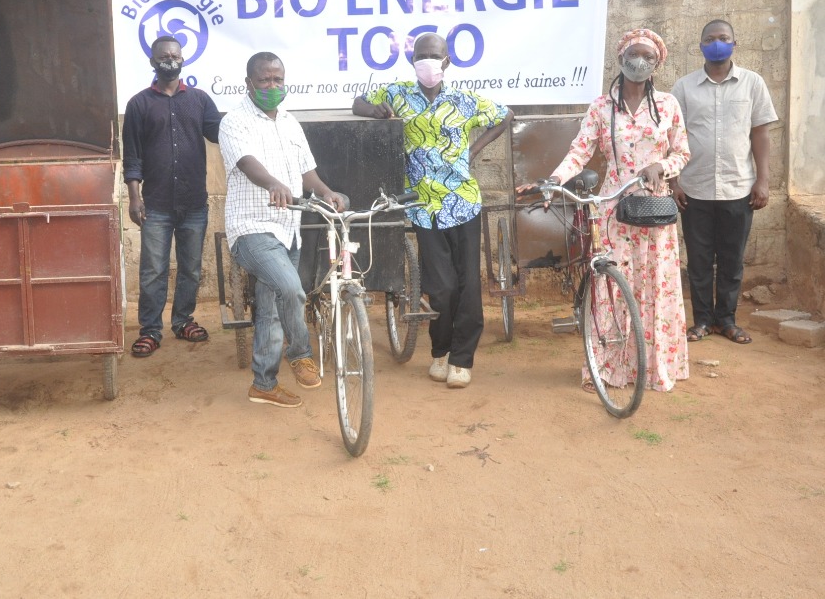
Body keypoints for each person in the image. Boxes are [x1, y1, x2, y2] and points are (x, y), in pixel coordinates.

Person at [532, 28, 691, 392]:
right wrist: (555, 180)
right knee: (611, 286)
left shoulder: (668, 105)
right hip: (614, 208)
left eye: (647, 57)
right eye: (633, 55)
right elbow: (579, 151)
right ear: (620, 59)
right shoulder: (601, 107)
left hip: (654, 207)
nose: (639, 62)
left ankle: (652, 369)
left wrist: (661, 167)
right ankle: (605, 368)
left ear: (657, 64)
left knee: (656, 285)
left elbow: (682, 152)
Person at [352, 32, 512, 389]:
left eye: (434, 55)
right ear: (412, 60)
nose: (428, 60)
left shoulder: (465, 100)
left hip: (464, 202)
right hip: (424, 206)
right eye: (421, 55)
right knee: (440, 287)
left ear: (447, 61)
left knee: (468, 284)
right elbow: (357, 103)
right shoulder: (397, 94)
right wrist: (375, 111)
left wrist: (473, 150)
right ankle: (439, 351)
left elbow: (505, 116)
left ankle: (461, 358)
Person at [219, 52, 345, 408]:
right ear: (248, 83)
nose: (272, 86)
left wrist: (325, 192)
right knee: (292, 288)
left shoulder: (290, 122)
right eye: (264, 80)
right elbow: (246, 163)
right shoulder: (234, 122)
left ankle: (263, 384)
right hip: (252, 228)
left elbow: (307, 171)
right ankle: (301, 354)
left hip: (290, 228)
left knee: (271, 307)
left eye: (278, 80)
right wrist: (274, 183)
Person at [670, 20, 778, 345]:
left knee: (732, 260)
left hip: (739, 188)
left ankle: (727, 321)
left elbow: (760, 133)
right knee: (700, 261)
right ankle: (702, 321)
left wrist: (763, 180)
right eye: (710, 39)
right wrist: (674, 183)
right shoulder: (684, 87)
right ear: (700, 45)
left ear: (735, 42)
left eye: (723, 38)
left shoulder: (752, 84)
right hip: (694, 190)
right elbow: (673, 138)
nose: (717, 43)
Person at [123, 35, 221, 358]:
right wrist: (134, 198)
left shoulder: (200, 101)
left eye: (175, 55)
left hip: (194, 203)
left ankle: (183, 320)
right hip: (157, 205)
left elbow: (222, 134)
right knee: (153, 270)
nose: (170, 59)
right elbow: (133, 157)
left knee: (191, 268)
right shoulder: (138, 105)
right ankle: (151, 329)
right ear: (153, 62)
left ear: (183, 59)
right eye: (163, 56)